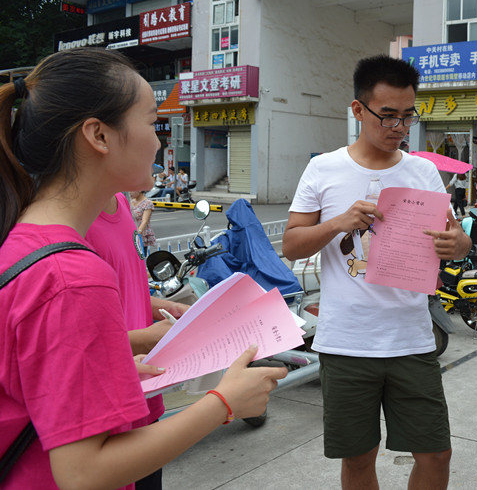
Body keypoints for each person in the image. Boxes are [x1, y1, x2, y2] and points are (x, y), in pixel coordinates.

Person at [0, 47, 287, 489]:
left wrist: (109, 364)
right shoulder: (72, 277)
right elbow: (83, 473)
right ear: (98, 135)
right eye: (153, 123)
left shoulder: (22, 243)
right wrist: (223, 402)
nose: (160, 142)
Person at [283, 54, 472, 490]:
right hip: (347, 343)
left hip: (410, 340)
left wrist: (456, 244)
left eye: (407, 116)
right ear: (357, 110)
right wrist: (337, 223)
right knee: (358, 459)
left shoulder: (422, 171)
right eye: (387, 116)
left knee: (436, 453)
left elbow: (456, 238)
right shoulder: (324, 168)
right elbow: (292, 244)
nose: (399, 128)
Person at [86, 192, 190, 490]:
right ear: (101, 141)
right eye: (151, 139)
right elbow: (70, 340)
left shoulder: (119, 200)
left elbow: (127, 286)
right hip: (109, 404)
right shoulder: (75, 219)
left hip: (145, 395)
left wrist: (165, 308)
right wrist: (143, 339)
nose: (157, 144)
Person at [131, 189, 158, 255]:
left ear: (139, 190)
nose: (129, 193)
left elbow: (145, 221)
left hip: (141, 235)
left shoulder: (147, 203)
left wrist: (137, 234)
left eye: (131, 190)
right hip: (130, 233)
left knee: (140, 257)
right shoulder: (130, 202)